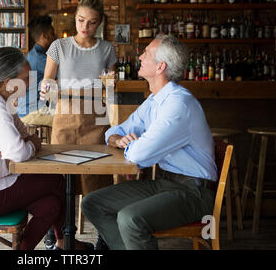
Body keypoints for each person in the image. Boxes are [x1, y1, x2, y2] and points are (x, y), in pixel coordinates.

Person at [0, 47, 92, 250]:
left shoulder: (1, 101)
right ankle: (65, 242)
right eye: (25, 78)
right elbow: (20, 152)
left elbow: (23, 134)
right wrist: (29, 144)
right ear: (8, 83)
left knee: (50, 204)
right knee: (55, 180)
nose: (30, 82)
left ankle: (39, 247)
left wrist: (24, 143)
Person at [81, 34, 217, 250]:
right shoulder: (154, 100)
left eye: (147, 53)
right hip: (163, 184)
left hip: (193, 192)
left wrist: (131, 144)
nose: (140, 56)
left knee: (130, 218)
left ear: (160, 66)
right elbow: (116, 131)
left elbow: (138, 155)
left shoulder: (178, 104)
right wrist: (118, 139)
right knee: (92, 203)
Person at [41, 0, 117, 249]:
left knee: (97, 178)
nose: (85, 27)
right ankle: (57, 232)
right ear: (75, 18)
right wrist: (47, 88)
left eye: (92, 23)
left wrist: (110, 81)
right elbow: (48, 80)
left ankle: (102, 235)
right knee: (60, 179)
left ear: (100, 24)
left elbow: (111, 86)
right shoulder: (58, 46)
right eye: (81, 20)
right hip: (65, 117)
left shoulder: (107, 49)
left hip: (97, 118)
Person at [17, 15, 55, 122]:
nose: (55, 37)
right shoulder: (39, 58)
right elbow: (63, 74)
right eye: (52, 33)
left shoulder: (33, 54)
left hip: (25, 109)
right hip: (32, 110)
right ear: (44, 36)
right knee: (65, 119)